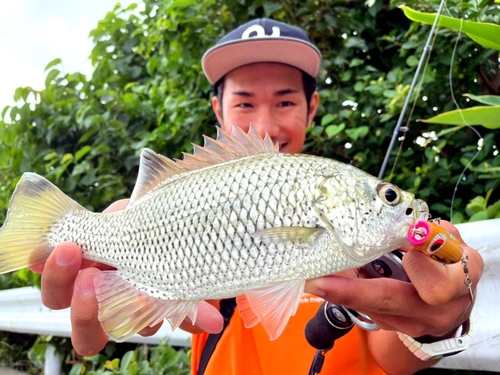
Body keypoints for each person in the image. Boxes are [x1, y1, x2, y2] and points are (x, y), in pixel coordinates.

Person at [32, 18, 483, 375]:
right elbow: (163, 306)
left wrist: (437, 323)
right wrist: (118, 283)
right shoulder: (201, 200)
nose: (264, 126)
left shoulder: (373, 252)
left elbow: (390, 356)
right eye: (244, 103)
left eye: (285, 102)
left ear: (313, 106)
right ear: (217, 109)